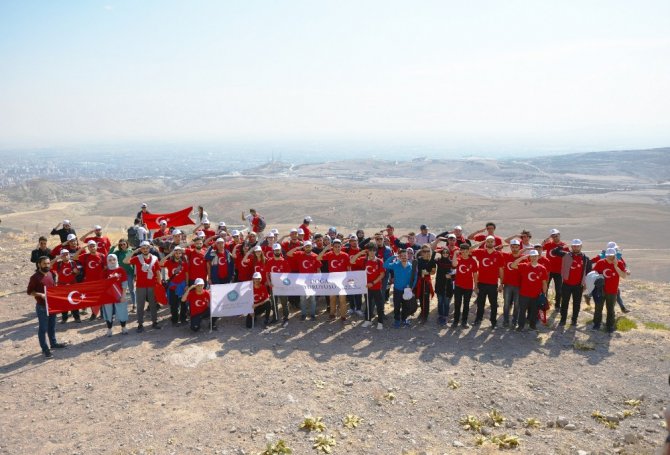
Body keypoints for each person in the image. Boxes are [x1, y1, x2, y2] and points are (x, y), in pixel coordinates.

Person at [27, 256, 67, 358]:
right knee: (43, 328)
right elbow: (30, 292)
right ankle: (45, 349)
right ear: (39, 264)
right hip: (42, 307)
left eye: (48, 263)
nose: (47, 265)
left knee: (52, 326)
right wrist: (41, 295)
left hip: (52, 305)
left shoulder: (50, 274)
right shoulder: (35, 277)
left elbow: (52, 288)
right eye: (44, 263)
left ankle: (53, 344)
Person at [552, 239, 592, 327]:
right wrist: (563, 246)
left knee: (577, 303)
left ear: (581, 246)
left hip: (578, 285)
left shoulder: (585, 258)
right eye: (574, 246)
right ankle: (563, 320)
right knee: (564, 303)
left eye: (577, 246)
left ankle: (574, 320)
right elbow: (554, 252)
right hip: (566, 284)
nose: (576, 247)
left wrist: (586, 283)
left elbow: (588, 272)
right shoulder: (566, 255)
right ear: (571, 246)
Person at [124, 241, 162, 332]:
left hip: (152, 285)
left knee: (153, 304)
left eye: (147, 248)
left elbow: (158, 272)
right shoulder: (137, 258)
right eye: (143, 248)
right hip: (140, 285)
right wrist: (133, 252)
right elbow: (125, 261)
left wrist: (159, 285)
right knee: (140, 305)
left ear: (150, 248)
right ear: (140, 249)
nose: (145, 250)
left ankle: (154, 322)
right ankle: (140, 324)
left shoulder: (154, 258)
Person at [511, 250, 548, 331]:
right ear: (529, 257)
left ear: (538, 257)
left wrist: (544, 294)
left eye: (535, 256)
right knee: (522, 311)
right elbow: (513, 265)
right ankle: (521, 326)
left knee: (534, 311)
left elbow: (544, 283)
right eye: (532, 256)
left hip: (536, 294)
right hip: (524, 293)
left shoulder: (542, 268)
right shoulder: (524, 266)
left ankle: (532, 325)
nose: (534, 258)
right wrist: (522, 258)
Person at [471, 236, 504, 328]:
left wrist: (501, 283)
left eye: (491, 241)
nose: (490, 243)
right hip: (481, 282)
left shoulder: (498, 254)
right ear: (486, 242)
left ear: (494, 243)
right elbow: (469, 250)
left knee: (493, 304)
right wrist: (480, 243)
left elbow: (501, 270)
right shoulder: (480, 252)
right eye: (488, 241)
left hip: (493, 283)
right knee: (480, 303)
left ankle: (493, 322)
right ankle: (478, 319)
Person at [592, 248, 627, 333]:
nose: (610, 258)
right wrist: (598, 277)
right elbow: (593, 273)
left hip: (612, 290)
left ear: (615, 255)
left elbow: (623, 276)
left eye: (612, 256)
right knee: (598, 308)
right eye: (609, 256)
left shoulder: (620, 263)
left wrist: (616, 266)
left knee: (610, 309)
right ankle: (597, 324)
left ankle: (610, 326)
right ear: (606, 256)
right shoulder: (601, 263)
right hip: (601, 290)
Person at [351, 244, 385, 329]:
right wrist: (359, 253)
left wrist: (373, 283)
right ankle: (368, 320)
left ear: (376, 251)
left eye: (374, 250)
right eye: (370, 250)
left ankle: (380, 322)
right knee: (368, 304)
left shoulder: (379, 261)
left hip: (376, 287)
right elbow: (352, 261)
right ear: (367, 251)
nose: (372, 252)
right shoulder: (364, 260)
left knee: (379, 305)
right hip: (366, 287)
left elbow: (382, 274)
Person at [317, 239, 350, 321]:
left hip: (342, 281)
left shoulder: (345, 255)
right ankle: (332, 314)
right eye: (335, 247)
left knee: (342, 299)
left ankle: (343, 315)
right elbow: (318, 258)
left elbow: (349, 268)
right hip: (332, 280)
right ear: (333, 247)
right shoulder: (329, 254)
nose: (337, 248)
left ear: (341, 247)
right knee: (332, 298)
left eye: (339, 247)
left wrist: (348, 279)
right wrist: (325, 249)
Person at [287, 241, 321, 321]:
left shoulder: (315, 256)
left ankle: (312, 314)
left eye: (309, 246)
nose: (307, 248)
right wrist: (296, 248)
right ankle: (303, 314)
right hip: (302, 280)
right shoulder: (299, 254)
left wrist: (318, 279)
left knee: (312, 298)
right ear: (304, 247)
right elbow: (288, 254)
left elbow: (318, 269)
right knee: (302, 298)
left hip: (312, 280)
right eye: (306, 246)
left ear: (311, 247)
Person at [73, 240, 106, 320]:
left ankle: (102, 314)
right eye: (90, 246)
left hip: (100, 281)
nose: (92, 248)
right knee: (91, 299)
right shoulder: (85, 256)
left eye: (93, 246)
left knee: (101, 298)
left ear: (96, 246)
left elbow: (105, 268)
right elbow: (74, 257)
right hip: (89, 282)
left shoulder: (102, 256)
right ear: (88, 248)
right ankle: (94, 314)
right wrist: (81, 249)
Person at [383, 249, 417, 328]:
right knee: (397, 306)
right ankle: (397, 320)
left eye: (405, 255)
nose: (404, 257)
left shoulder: (411, 266)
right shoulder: (395, 264)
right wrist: (393, 257)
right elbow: (385, 265)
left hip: (407, 290)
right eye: (402, 256)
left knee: (406, 306)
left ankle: (404, 319)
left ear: (408, 256)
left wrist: (411, 287)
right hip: (397, 290)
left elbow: (415, 278)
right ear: (399, 257)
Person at [451, 244, 478, 328]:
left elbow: (475, 274)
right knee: (457, 304)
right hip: (458, 286)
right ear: (461, 251)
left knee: (466, 304)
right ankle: (455, 321)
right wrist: (455, 254)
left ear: (469, 251)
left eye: (466, 251)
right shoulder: (458, 259)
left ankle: (464, 321)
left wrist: (476, 285)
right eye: (463, 251)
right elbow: (454, 265)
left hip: (468, 286)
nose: (465, 253)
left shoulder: (473, 261)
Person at [160, 246, 189, 326]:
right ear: (173, 254)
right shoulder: (169, 262)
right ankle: (174, 319)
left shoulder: (184, 263)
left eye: (179, 253)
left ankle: (183, 318)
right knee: (174, 304)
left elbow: (187, 274)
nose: (178, 254)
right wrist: (169, 254)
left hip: (182, 285)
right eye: (176, 253)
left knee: (183, 303)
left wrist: (186, 284)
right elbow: (160, 263)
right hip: (173, 286)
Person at [432, 234, 457, 326]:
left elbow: (456, 271)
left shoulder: (451, 263)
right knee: (440, 301)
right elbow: (432, 250)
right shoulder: (438, 260)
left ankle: (445, 316)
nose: (445, 254)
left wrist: (451, 277)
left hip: (449, 285)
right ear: (442, 253)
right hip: (439, 284)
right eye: (444, 253)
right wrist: (438, 240)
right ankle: (440, 315)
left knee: (446, 302)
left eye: (447, 253)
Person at [51, 250, 82, 323]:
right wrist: (57, 258)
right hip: (62, 286)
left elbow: (77, 272)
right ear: (61, 256)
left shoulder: (73, 263)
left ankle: (76, 317)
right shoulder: (58, 264)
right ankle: (64, 318)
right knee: (63, 302)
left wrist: (76, 271)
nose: (66, 256)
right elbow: (49, 265)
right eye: (64, 254)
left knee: (74, 301)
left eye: (67, 254)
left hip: (72, 285)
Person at [265, 243, 292, 326]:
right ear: (273, 251)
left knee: (284, 302)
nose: (277, 251)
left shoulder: (284, 261)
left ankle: (286, 318)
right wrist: (269, 282)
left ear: (280, 250)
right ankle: (275, 318)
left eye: (278, 250)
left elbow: (287, 274)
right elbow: (267, 273)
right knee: (274, 302)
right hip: (273, 286)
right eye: (275, 250)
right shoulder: (269, 261)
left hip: (282, 286)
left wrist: (284, 283)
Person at [102, 255, 129, 336]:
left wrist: (123, 296)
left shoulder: (121, 270)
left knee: (122, 311)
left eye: (114, 259)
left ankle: (123, 327)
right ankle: (109, 329)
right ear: (107, 261)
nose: (112, 261)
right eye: (110, 260)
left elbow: (124, 283)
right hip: (108, 295)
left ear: (117, 260)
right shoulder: (105, 271)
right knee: (108, 312)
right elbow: (101, 284)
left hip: (119, 294)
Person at [542, 229, 568, 311]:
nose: (555, 237)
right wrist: (546, 239)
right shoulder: (549, 244)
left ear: (559, 235)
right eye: (553, 236)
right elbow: (539, 248)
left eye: (556, 235)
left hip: (559, 271)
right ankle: (544, 303)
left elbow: (568, 257)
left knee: (559, 289)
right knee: (545, 288)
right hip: (548, 270)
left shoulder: (564, 245)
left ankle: (557, 305)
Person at [501, 239, 523, 327]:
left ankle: (515, 321)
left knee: (517, 305)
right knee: (506, 304)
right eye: (513, 247)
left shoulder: (523, 258)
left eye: (516, 247)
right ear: (510, 247)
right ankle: (506, 321)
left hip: (519, 285)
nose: (514, 249)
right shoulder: (506, 256)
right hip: (507, 285)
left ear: (519, 247)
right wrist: (501, 283)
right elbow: (495, 250)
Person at [110, 239, 136, 313]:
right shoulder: (118, 253)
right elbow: (110, 254)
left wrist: (135, 274)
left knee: (131, 290)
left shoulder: (130, 251)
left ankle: (134, 305)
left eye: (124, 244)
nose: (122, 246)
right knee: (121, 290)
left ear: (127, 244)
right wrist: (114, 245)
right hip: (121, 274)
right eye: (121, 245)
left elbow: (134, 263)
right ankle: (121, 306)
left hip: (130, 273)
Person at [414, 244, 436, 324]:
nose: (426, 253)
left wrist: (427, 272)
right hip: (419, 281)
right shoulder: (418, 259)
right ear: (421, 252)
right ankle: (422, 311)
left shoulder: (432, 261)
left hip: (426, 281)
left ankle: (425, 316)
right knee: (420, 297)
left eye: (427, 251)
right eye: (424, 251)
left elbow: (433, 272)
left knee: (426, 298)